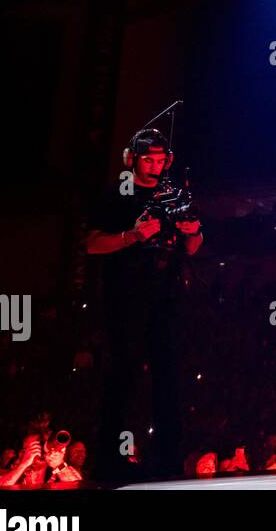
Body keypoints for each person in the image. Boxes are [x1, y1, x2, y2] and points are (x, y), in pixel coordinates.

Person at [85, 127, 203, 483]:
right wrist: (132, 236)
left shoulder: (175, 194)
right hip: (125, 298)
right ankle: (110, 461)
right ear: (132, 159)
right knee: (122, 376)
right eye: (147, 159)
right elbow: (92, 244)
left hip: (165, 297)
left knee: (167, 377)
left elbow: (194, 247)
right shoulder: (116, 195)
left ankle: (168, 458)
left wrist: (193, 231)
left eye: (160, 159)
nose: (154, 165)